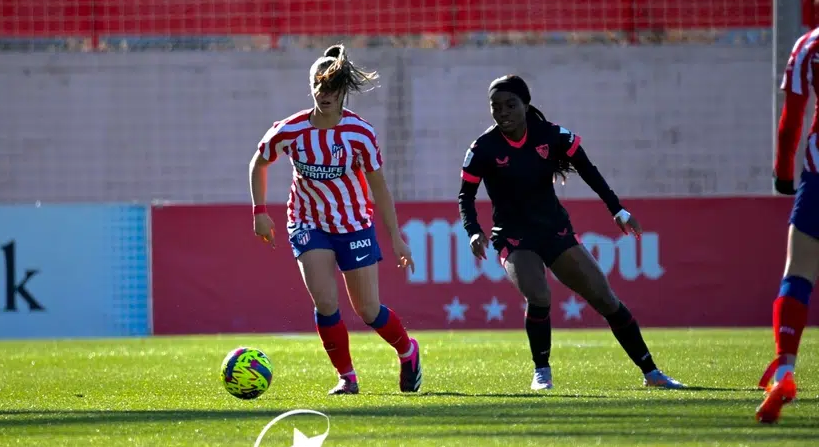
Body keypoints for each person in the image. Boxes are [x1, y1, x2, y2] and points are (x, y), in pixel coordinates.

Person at [457, 74, 685, 391]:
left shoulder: (551, 136)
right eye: (496, 107)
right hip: (514, 238)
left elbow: (589, 171)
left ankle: (652, 373)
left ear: (526, 104)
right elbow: (465, 196)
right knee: (538, 295)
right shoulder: (483, 148)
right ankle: (542, 373)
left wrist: (617, 209)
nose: (503, 112)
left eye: (510, 105)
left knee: (605, 299)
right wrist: (472, 231)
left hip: (555, 232)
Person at [248, 44, 421, 395]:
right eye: (318, 85)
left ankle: (408, 350)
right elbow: (259, 162)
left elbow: (380, 188)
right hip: (307, 222)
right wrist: (259, 211)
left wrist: (396, 237)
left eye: (331, 87)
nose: (323, 93)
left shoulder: (360, 133)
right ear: (310, 85)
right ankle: (347, 377)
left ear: (344, 90)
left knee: (368, 310)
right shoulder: (291, 129)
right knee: (326, 302)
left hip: (354, 225)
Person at [756, 0, 819, 423]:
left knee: (797, 274)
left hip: (818, 178)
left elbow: (790, 122)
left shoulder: (809, 46)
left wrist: (782, 174)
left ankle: (787, 367)